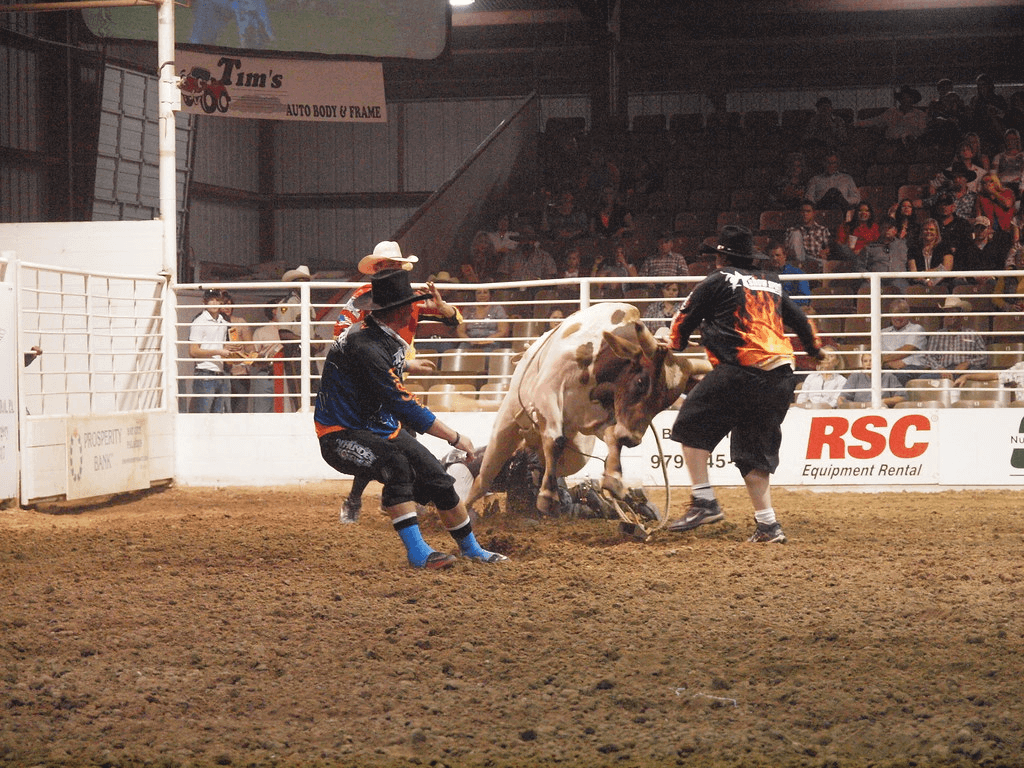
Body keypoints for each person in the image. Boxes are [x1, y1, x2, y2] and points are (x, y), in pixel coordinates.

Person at [314, 268, 508, 569]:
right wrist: (454, 436)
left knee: (439, 479)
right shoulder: (365, 346)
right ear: (397, 310)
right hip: (340, 433)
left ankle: (472, 549)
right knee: (396, 465)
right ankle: (419, 554)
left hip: (379, 426)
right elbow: (402, 404)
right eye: (409, 304)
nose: (414, 308)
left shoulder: (381, 337)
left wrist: (444, 309)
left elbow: (449, 319)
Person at [666, 225, 822, 544]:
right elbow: (801, 321)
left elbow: (685, 316)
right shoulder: (773, 284)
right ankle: (768, 526)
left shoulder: (718, 280)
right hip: (780, 375)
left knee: (690, 426)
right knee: (753, 451)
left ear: (721, 257)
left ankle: (704, 501)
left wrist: (675, 344)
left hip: (741, 369)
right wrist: (815, 350)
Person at [332, 241, 463, 523]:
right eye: (388, 266)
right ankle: (371, 498)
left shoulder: (407, 297)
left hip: (390, 377)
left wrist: (444, 308)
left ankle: (389, 496)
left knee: (399, 438)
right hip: (368, 380)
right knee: (386, 440)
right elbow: (344, 340)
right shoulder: (362, 299)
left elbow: (454, 320)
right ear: (377, 269)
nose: (393, 270)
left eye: (395, 266)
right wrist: (404, 363)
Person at [188, 289, 238, 414]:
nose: (214, 303)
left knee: (218, 416)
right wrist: (219, 351)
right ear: (204, 302)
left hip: (219, 373)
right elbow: (193, 351)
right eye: (211, 300)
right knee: (203, 415)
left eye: (217, 300)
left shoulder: (223, 321)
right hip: (205, 374)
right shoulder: (199, 322)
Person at [918, 296, 987, 379]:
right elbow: (930, 357)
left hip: (968, 370)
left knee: (976, 374)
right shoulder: (937, 335)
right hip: (944, 370)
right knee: (923, 378)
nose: (951, 315)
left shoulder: (973, 334)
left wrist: (968, 363)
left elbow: (984, 356)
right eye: (948, 312)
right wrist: (941, 369)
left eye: (954, 312)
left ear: (961, 315)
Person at [881, 298, 930, 385]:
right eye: (894, 314)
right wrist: (888, 363)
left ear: (908, 315)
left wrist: (881, 360)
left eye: (901, 314)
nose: (897, 318)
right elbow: (876, 352)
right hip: (887, 367)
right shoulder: (883, 332)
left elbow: (906, 350)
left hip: (913, 367)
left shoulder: (916, 329)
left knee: (898, 375)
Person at [856, 85, 926, 146]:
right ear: (900, 100)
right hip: (892, 142)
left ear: (913, 100)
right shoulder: (891, 112)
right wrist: (856, 124)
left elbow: (922, 130)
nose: (905, 100)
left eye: (908, 97)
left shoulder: (920, 114)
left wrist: (908, 134)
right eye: (903, 97)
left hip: (910, 142)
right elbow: (874, 121)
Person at [219, 291, 254, 413]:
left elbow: (250, 348)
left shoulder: (240, 322)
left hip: (239, 373)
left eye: (229, 304)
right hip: (220, 372)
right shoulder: (215, 323)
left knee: (240, 408)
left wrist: (249, 358)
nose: (227, 307)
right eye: (223, 304)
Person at [859, 217, 910, 293]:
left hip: (898, 278)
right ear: (879, 230)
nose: (886, 230)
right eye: (884, 228)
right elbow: (859, 266)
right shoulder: (869, 248)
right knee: (865, 289)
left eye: (889, 228)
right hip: (876, 279)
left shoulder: (904, 246)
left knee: (903, 287)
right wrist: (868, 277)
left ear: (895, 230)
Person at [839, 350, 906, 407]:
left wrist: (882, 401)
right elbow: (842, 399)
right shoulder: (855, 376)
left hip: (881, 410)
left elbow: (902, 398)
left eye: (871, 361)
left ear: (880, 363)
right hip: (859, 410)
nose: (868, 363)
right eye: (865, 361)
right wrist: (860, 405)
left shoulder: (888, 376)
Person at [908, 218, 955, 292]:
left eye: (931, 229)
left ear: (937, 233)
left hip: (941, 283)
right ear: (922, 232)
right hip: (920, 283)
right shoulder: (913, 249)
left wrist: (927, 275)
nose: (928, 232)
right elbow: (913, 273)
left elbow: (946, 268)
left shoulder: (945, 247)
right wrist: (925, 281)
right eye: (925, 229)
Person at [785, 200, 831, 270]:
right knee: (795, 233)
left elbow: (829, 248)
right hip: (798, 259)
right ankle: (800, 266)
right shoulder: (792, 230)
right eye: (803, 211)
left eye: (808, 211)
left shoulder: (822, 229)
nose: (805, 214)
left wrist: (825, 252)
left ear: (813, 213)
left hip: (815, 259)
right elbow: (786, 249)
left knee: (825, 263)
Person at [767, 240, 810, 306]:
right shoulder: (765, 274)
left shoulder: (798, 273)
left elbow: (805, 299)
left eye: (777, 255)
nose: (774, 258)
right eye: (772, 256)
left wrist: (783, 302)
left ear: (785, 256)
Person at [992, 129, 1023, 193]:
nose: (1010, 142)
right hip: (1003, 188)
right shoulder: (998, 157)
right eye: (1008, 140)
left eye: (1013, 139)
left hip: (1020, 186)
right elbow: (993, 174)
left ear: (1017, 140)